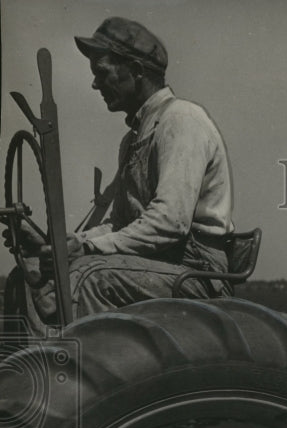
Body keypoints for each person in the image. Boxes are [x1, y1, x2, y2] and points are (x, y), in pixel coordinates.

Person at [8, 17, 234, 332]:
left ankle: (88, 375)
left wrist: (85, 249)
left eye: (102, 72)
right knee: (30, 276)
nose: (95, 84)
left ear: (137, 71)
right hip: (161, 262)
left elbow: (170, 222)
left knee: (88, 278)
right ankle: (32, 372)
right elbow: (121, 225)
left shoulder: (181, 120)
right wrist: (62, 243)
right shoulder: (135, 137)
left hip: (196, 271)